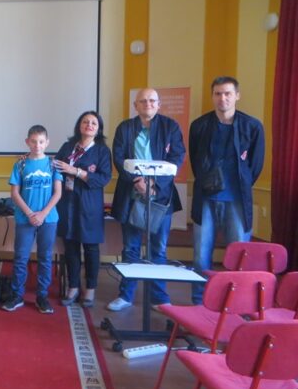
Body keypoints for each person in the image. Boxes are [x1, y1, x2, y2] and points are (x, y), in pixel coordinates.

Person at [107, 88, 186, 311]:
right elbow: (119, 158)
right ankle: (126, 295)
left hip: (161, 197)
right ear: (136, 105)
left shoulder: (170, 127)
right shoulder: (125, 128)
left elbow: (177, 157)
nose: (148, 104)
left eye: (152, 100)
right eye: (143, 101)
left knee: (158, 250)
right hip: (131, 195)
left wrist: (154, 184)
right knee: (130, 248)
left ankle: (159, 298)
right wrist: (138, 182)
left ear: (159, 104)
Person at [189, 76, 265, 304]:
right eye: (218, 94)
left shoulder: (252, 127)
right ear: (212, 96)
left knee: (240, 256)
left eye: (227, 93)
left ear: (237, 96)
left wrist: (241, 182)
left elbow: (255, 165)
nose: (222, 98)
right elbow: (196, 161)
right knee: (201, 255)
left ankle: (236, 303)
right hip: (206, 198)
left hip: (237, 199)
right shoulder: (199, 125)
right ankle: (199, 302)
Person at [53, 111, 112, 308]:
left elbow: (103, 178)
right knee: (70, 247)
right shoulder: (68, 147)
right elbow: (55, 168)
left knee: (91, 248)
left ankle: (90, 289)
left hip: (89, 205)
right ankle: (73, 287)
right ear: (79, 125)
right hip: (67, 203)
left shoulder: (102, 151)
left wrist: (76, 171)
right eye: (85, 122)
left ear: (99, 128)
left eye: (94, 123)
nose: (89, 125)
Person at [2, 125, 62, 314]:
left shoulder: (53, 165)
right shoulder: (20, 165)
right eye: (34, 141)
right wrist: (30, 214)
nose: (37, 145)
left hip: (48, 219)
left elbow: (58, 193)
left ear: (47, 143)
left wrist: (43, 214)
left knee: (45, 257)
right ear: (27, 142)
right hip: (24, 219)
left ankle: (42, 296)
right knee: (21, 258)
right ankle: (17, 295)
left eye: (41, 142)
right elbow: (15, 193)